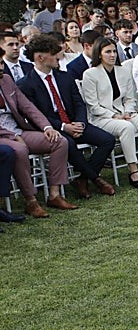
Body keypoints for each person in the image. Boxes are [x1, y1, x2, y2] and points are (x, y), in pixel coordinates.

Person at [17, 33, 117, 199]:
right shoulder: (26, 84)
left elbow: (79, 103)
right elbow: (36, 116)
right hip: (52, 129)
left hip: (75, 123)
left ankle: (83, 179)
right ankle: (96, 179)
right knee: (67, 143)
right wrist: (64, 127)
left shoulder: (65, 77)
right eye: (54, 53)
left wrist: (80, 123)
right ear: (41, 57)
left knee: (108, 140)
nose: (59, 56)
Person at [81, 37, 138, 187]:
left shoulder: (123, 71)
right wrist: (115, 116)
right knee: (126, 128)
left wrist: (128, 112)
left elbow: (130, 98)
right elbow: (93, 106)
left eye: (114, 51)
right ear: (99, 54)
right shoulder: (90, 74)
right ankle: (133, 170)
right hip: (102, 118)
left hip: (124, 113)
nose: (112, 55)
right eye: (108, 52)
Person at [0, 67, 76, 217]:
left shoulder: (6, 80)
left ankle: (54, 194)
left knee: (59, 141)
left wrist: (47, 127)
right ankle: (31, 200)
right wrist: (12, 135)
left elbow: (28, 107)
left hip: (19, 130)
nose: (1, 67)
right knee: (20, 150)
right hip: (3, 135)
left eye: (2, 63)